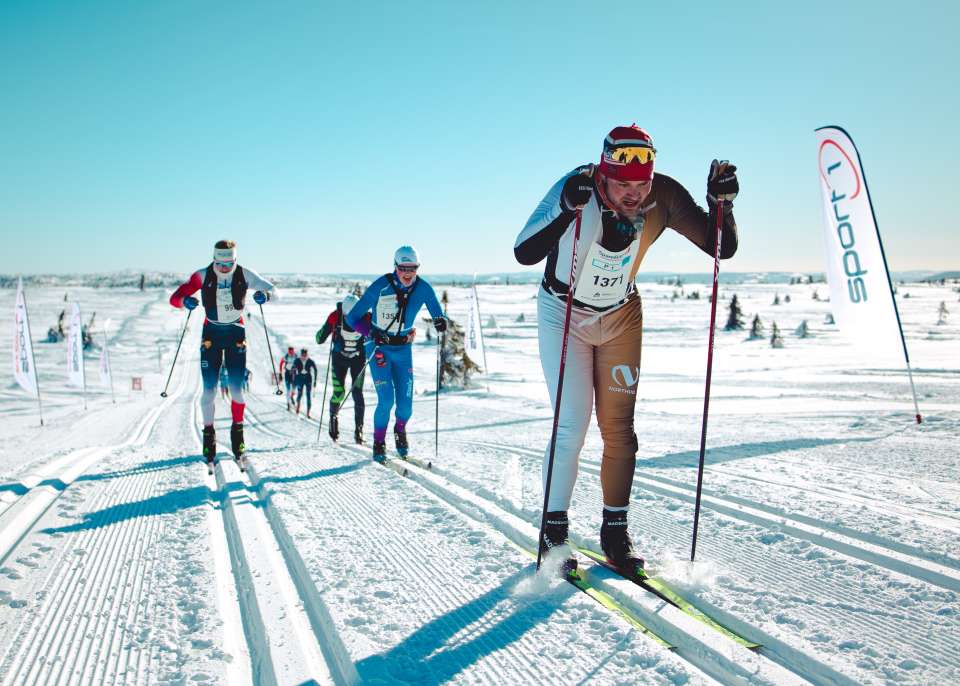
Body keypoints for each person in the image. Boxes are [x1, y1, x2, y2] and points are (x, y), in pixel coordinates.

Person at [513, 125, 739, 572]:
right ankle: (553, 532)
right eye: (622, 183)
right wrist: (564, 209)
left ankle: (615, 531)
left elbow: (721, 248)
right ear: (602, 175)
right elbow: (524, 251)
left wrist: (722, 206)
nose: (633, 194)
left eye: (642, 184)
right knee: (572, 424)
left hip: (621, 314)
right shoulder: (574, 185)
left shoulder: (665, 196)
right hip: (564, 314)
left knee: (620, 429)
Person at [169, 239, 277, 466]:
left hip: (236, 334)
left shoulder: (245, 274)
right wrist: (185, 301)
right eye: (221, 264)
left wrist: (265, 296)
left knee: (237, 391)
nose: (225, 269)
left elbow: (274, 291)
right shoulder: (203, 275)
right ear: (214, 260)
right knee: (209, 391)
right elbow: (174, 298)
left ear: (235, 260)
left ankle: (238, 438)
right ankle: (209, 438)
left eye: (230, 264)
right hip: (211, 335)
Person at [347, 246, 447, 462]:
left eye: (413, 268)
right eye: (403, 268)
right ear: (395, 267)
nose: (408, 273)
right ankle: (379, 442)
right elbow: (352, 318)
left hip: (403, 350)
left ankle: (400, 430)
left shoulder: (423, 288)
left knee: (406, 406)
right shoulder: (381, 286)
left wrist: (441, 321)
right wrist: (371, 332)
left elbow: (438, 313)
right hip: (378, 348)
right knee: (386, 400)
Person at [315, 293, 371, 444]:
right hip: (339, 359)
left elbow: (377, 334)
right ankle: (333, 423)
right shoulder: (335, 316)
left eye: (355, 316)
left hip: (358, 359)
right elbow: (319, 338)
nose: (351, 319)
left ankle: (359, 430)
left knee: (357, 393)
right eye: (348, 316)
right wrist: (327, 335)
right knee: (339, 393)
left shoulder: (367, 317)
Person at [292, 348, 318, 417]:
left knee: (308, 395)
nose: (303, 356)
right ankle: (298, 406)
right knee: (300, 394)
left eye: (305, 355)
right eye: (302, 355)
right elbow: (293, 369)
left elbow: (315, 369)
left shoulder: (310, 361)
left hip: (308, 379)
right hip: (300, 378)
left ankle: (308, 412)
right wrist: (294, 379)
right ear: (301, 354)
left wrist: (315, 381)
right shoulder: (297, 360)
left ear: (307, 354)